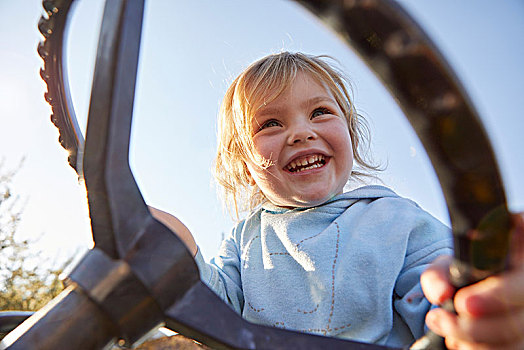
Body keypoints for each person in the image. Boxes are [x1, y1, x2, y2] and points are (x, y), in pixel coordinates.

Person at [150, 52, 524, 349]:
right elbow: (213, 312)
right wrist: (173, 243)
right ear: (246, 167)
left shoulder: (394, 220)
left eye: (320, 112)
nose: (300, 132)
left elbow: (441, 295)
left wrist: (474, 306)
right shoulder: (246, 240)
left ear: (350, 136)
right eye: (270, 124)